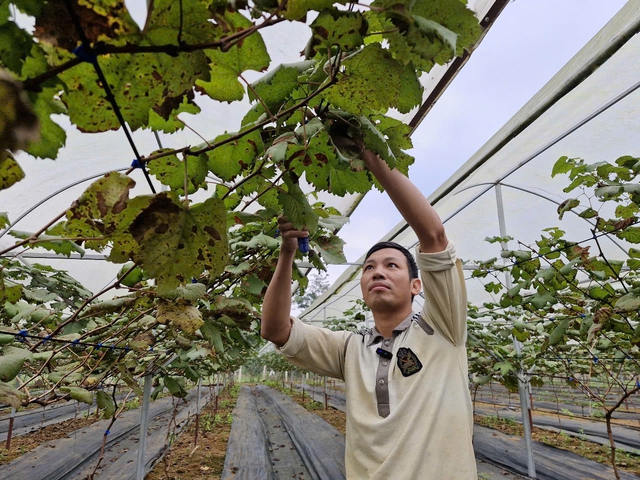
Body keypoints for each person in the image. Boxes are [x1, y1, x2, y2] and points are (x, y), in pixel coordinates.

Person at [261, 149, 475, 479]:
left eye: (392, 266)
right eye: (369, 268)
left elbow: (433, 236)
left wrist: (368, 155)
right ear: (362, 289)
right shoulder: (349, 349)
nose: (377, 273)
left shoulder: (444, 328)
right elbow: (275, 330)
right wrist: (287, 253)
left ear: (417, 284)